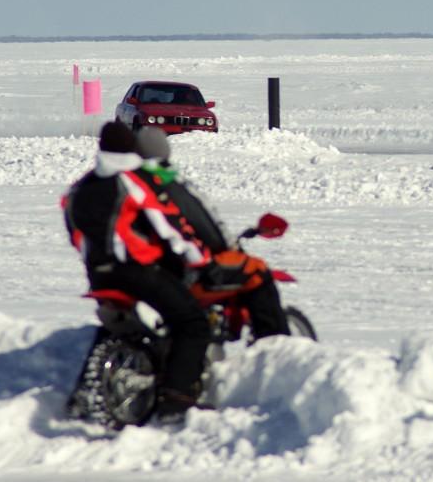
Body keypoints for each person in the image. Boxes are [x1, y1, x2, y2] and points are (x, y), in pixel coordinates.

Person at [62, 121, 212, 423]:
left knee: (114, 326)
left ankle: (83, 396)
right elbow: (168, 224)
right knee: (192, 322)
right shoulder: (133, 180)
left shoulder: (80, 187)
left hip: (98, 274)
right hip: (136, 270)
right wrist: (199, 256)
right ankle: (177, 399)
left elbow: (74, 229)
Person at [135, 127, 290, 339]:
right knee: (257, 271)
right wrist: (225, 246)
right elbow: (202, 221)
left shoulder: (126, 182)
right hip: (182, 270)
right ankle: (276, 346)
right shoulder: (166, 181)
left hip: (143, 269)